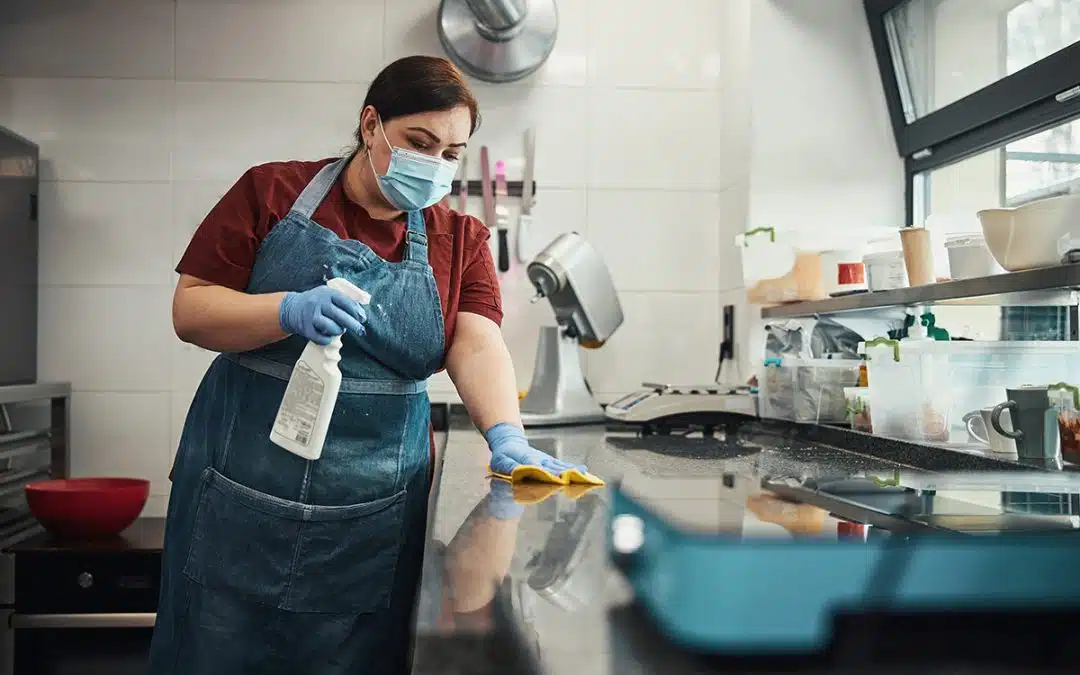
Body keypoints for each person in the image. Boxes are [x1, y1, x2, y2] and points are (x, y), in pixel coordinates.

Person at [149, 55, 594, 675]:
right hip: (239, 495)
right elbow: (192, 310)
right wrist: (286, 310)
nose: (434, 164)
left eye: (451, 153)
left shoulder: (459, 238)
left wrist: (506, 436)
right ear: (370, 124)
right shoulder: (272, 193)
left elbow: (476, 342)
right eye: (419, 142)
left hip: (371, 517)